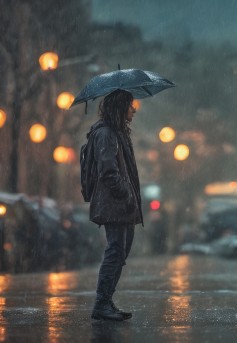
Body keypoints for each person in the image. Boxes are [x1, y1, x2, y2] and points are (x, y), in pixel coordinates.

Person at [87, 89, 143, 321]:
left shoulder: (117, 133)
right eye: (131, 106)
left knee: (120, 252)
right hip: (115, 204)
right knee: (116, 251)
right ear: (120, 107)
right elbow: (109, 171)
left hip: (121, 204)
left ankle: (106, 301)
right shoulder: (106, 134)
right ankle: (101, 303)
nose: (134, 110)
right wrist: (126, 194)